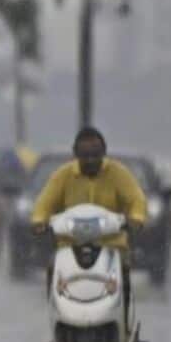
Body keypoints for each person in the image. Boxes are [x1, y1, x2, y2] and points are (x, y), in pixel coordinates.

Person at [30, 126, 149, 303]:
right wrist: (39, 221)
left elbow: (136, 199)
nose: (91, 160)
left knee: (124, 270)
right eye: (85, 155)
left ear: (104, 153)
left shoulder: (118, 174)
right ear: (75, 154)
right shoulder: (63, 176)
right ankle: (54, 310)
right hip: (69, 245)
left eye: (95, 155)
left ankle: (125, 321)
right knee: (52, 267)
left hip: (111, 245)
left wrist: (136, 218)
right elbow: (44, 203)